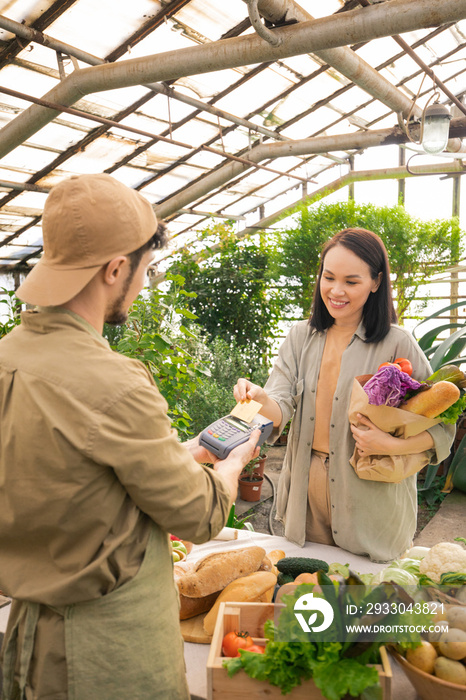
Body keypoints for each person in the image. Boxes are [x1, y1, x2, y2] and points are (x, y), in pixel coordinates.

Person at [0, 173, 260, 700]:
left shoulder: (8, 358)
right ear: (116, 268)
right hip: (109, 655)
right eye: (145, 268)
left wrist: (179, 453)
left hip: (29, 643)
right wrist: (229, 465)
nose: (144, 282)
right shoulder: (114, 381)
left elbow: (69, 476)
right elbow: (199, 516)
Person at [234, 227, 455, 562]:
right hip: (304, 497)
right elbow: (279, 406)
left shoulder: (397, 343)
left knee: (366, 604)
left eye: (351, 282)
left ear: (376, 282)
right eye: (328, 277)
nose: (336, 291)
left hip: (371, 501)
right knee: (308, 594)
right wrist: (261, 399)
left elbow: (443, 429)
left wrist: (392, 445)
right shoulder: (299, 337)